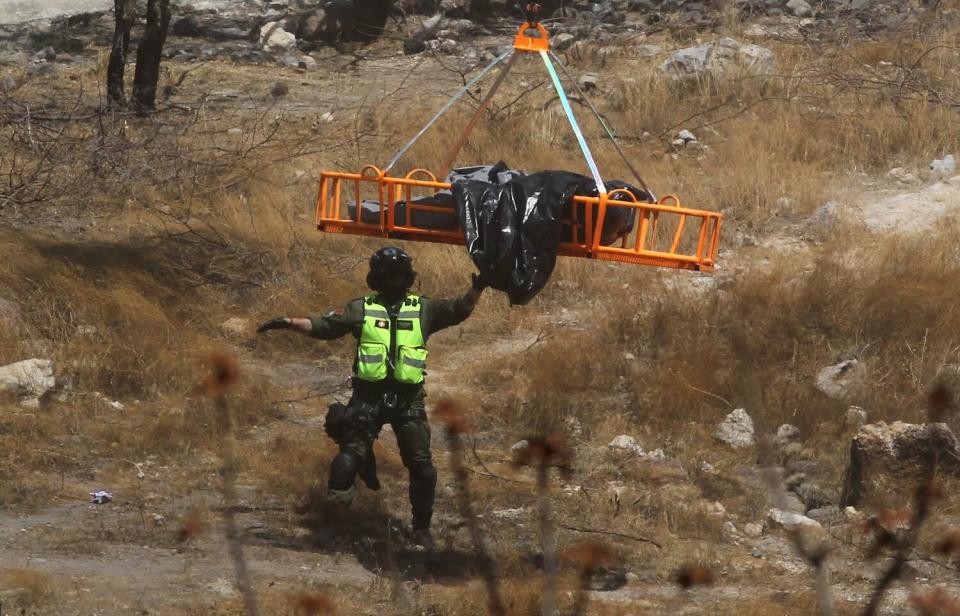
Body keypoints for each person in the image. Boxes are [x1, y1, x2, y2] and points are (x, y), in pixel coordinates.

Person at [256, 246, 487, 549]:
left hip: (408, 401)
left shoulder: (424, 309)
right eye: (387, 275)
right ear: (375, 279)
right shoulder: (361, 309)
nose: (394, 280)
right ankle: (339, 522)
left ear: (409, 277)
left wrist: (478, 287)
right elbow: (324, 325)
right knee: (345, 463)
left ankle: (421, 529)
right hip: (368, 398)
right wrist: (289, 323)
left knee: (423, 467)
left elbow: (459, 309)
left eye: (399, 274)